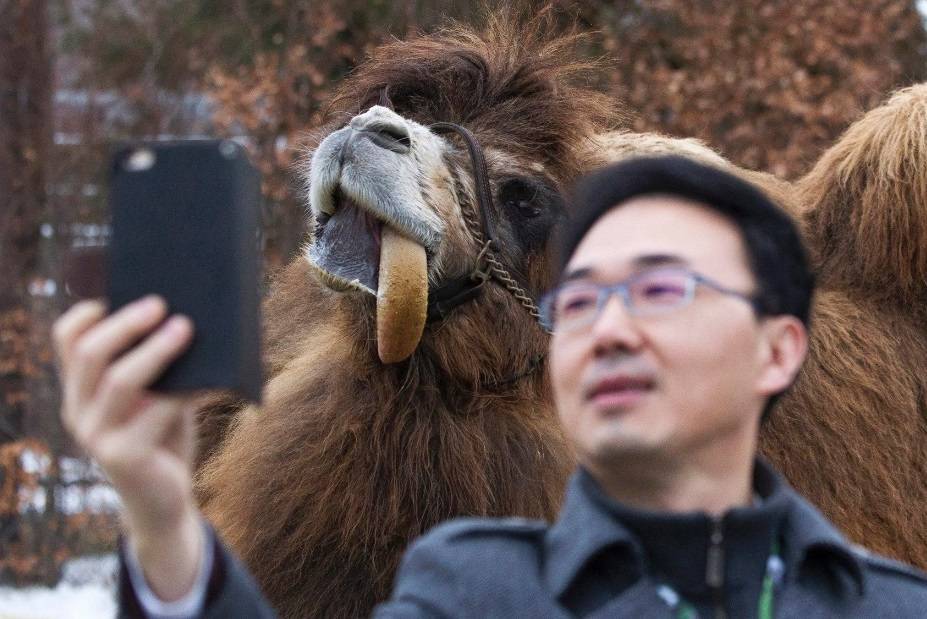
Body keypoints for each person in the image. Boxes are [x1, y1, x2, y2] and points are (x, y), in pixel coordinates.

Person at [52, 156, 927, 618]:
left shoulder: (893, 605)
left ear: (778, 350)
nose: (608, 327)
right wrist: (162, 521)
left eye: (660, 290)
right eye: (577, 299)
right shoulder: (468, 589)